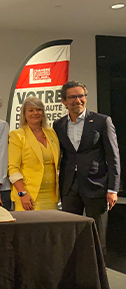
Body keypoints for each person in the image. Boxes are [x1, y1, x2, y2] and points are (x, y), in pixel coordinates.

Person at [53, 81, 120, 252]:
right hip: (69, 188)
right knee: (70, 235)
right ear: (64, 101)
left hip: (96, 186)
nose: (78, 100)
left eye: (81, 96)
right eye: (72, 97)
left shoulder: (102, 121)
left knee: (97, 236)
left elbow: (113, 157)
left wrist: (113, 189)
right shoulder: (58, 125)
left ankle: (99, 274)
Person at [8, 96, 60, 211]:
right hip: (28, 197)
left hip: (51, 196)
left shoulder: (51, 133)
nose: (35, 113)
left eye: (39, 109)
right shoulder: (17, 135)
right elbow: (13, 169)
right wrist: (22, 194)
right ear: (24, 113)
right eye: (31, 110)